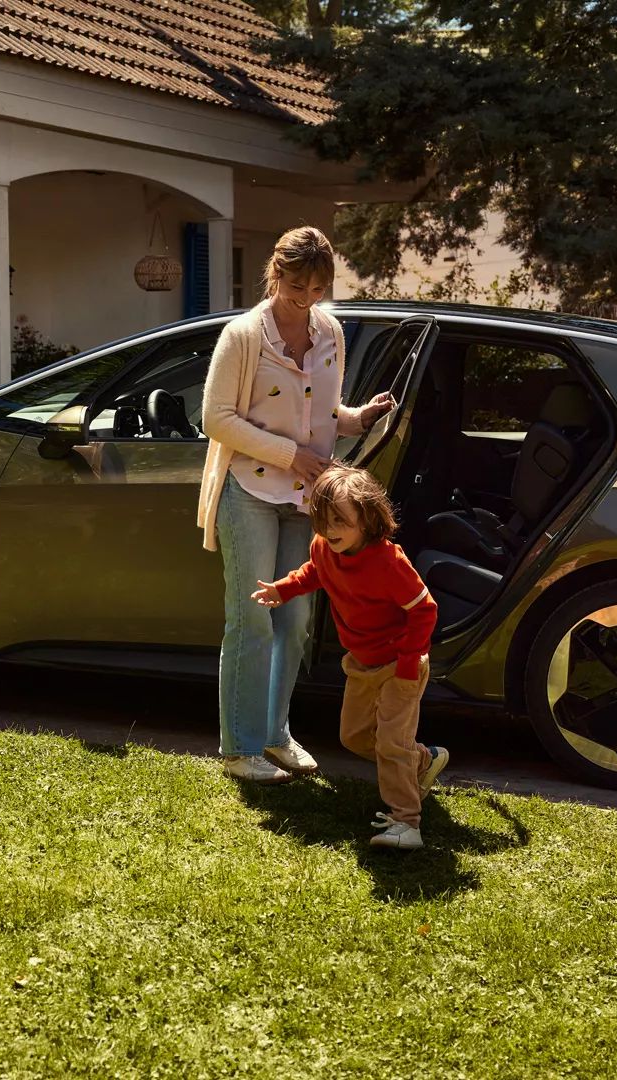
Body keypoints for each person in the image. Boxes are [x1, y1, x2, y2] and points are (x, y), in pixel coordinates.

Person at [196, 226, 395, 785]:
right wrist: (291, 456)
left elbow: (322, 411)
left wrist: (360, 418)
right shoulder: (243, 336)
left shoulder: (330, 329)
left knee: (297, 621)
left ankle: (276, 735)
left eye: (319, 287)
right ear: (275, 274)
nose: (308, 297)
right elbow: (215, 419)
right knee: (252, 620)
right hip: (251, 492)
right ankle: (239, 747)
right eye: (297, 286)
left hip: (306, 499)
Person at [251, 466, 449, 850]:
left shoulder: (389, 562)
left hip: (400, 666)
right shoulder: (324, 548)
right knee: (354, 737)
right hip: (361, 662)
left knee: (391, 744)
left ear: (368, 516)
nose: (330, 528)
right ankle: (423, 762)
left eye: (340, 520)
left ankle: (406, 823)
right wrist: (283, 589)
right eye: (322, 519)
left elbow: (424, 609)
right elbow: (315, 573)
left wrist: (409, 663)